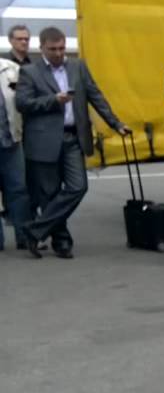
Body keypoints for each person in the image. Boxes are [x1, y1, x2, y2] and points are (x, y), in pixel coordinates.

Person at [15, 26, 130, 259]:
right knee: (50, 194)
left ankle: (34, 230)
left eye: (62, 48)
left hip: (73, 138)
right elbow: (23, 103)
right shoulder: (30, 72)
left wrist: (116, 123)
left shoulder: (78, 67)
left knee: (78, 187)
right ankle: (62, 242)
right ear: (42, 48)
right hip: (44, 140)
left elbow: (96, 96)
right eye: (53, 49)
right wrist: (53, 100)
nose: (59, 53)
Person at [1, 55, 31, 251]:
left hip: (11, 140)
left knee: (19, 190)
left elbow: (24, 100)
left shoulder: (11, 68)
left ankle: (25, 236)